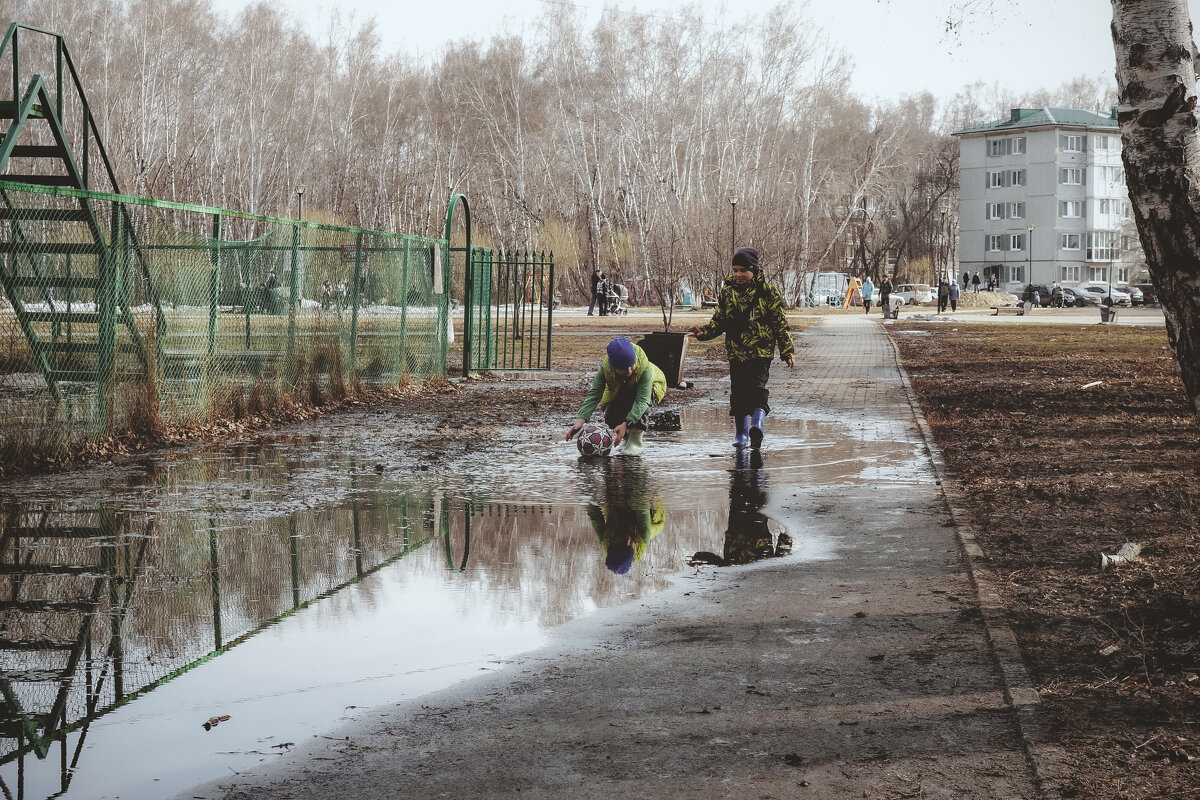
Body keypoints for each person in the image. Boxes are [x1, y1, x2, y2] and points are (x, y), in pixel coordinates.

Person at [688, 247, 795, 449]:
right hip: (736, 352)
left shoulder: (767, 292)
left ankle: (757, 424)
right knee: (738, 392)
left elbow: (780, 324)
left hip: (761, 352)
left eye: (743, 270)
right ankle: (741, 433)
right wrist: (704, 333)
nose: (738, 275)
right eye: (735, 270)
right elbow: (720, 321)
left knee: (757, 389)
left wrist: (787, 350)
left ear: (753, 269)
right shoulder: (727, 292)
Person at [564, 337, 666, 457]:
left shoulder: (644, 368)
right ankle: (626, 438)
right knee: (610, 414)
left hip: (653, 386)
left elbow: (642, 400)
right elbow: (595, 394)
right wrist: (581, 420)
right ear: (613, 367)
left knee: (641, 408)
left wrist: (626, 423)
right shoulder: (605, 368)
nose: (629, 371)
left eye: (631, 366)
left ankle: (635, 441)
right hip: (621, 387)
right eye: (623, 369)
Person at [587, 458, 665, 574]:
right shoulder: (643, 537)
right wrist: (633, 470)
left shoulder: (607, 541)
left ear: (612, 544)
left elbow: (595, 516)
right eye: (626, 542)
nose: (623, 538)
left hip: (619, 517)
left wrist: (589, 489)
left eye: (618, 540)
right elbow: (641, 504)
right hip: (652, 515)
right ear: (632, 546)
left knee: (611, 491)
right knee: (637, 483)